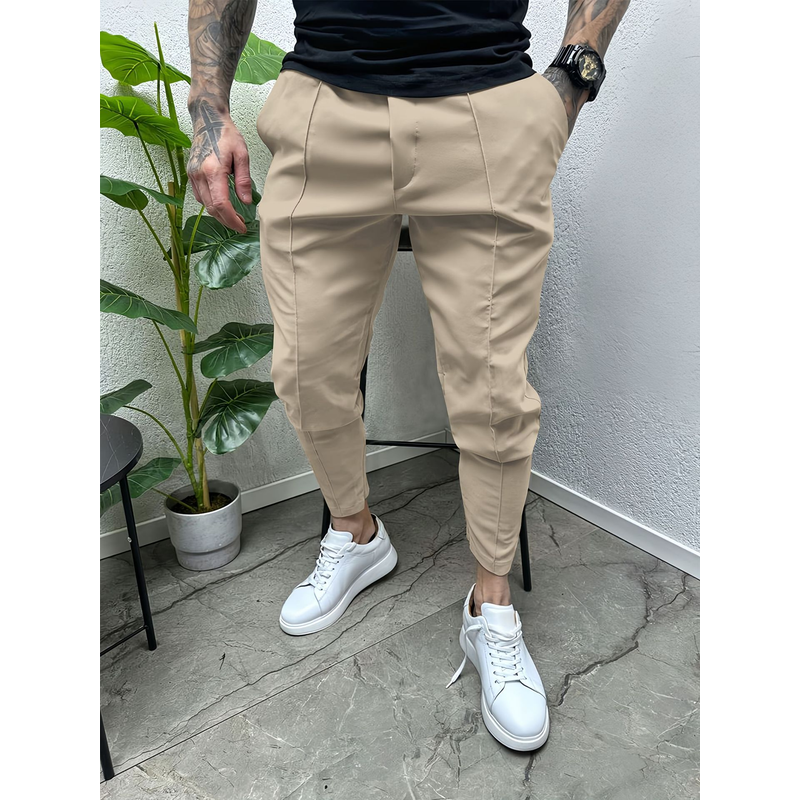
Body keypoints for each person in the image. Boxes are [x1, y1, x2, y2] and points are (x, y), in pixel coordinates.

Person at [188, 0, 631, 752]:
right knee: (305, 368)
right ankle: (356, 533)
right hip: (326, 108)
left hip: (487, 106)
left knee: (493, 392)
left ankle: (491, 608)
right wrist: (209, 107)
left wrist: (573, 77)